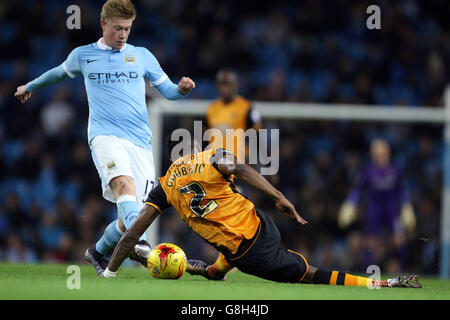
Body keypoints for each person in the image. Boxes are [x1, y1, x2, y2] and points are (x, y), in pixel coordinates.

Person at [13, 0, 195, 274]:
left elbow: (168, 92)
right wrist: (30, 86)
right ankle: (142, 245)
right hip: (105, 136)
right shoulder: (83, 55)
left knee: (130, 215)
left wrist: (182, 89)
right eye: (118, 28)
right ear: (103, 24)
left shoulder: (142, 55)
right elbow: (57, 74)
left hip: (140, 142)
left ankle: (96, 252)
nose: (123, 35)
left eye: (128, 29)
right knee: (124, 186)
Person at [100, 136, 421, 288]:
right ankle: (209, 269)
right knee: (218, 260)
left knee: (307, 275)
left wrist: (110, 271)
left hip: (249, 253)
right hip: (261, 222)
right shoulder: (211, 157)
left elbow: (132, 232)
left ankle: (381, 284)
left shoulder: (165, 186)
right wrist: (279, 196)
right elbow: (238, 167)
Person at [338, 138, 416, 270]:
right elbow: (357, 189)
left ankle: (402, 270)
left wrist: (406, 207)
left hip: (392, 210)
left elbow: (402, 190)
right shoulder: (368, 171)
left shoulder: (395, 170)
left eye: (382, 154)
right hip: (374, 209)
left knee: (399, 239)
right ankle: (369, 272)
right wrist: (349, 204)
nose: (380, 157)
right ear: (372, 155)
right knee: (370, 242)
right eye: (376, 154)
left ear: (388, 153)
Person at [205, 69, 262, 162]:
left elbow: (258, 136)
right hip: (214, 164)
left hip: (238, 164)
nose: (225, 88)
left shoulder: (246, 107)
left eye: (228, 84)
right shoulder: (211, 109)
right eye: (222, 84)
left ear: (235, 85)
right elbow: (205, 137)